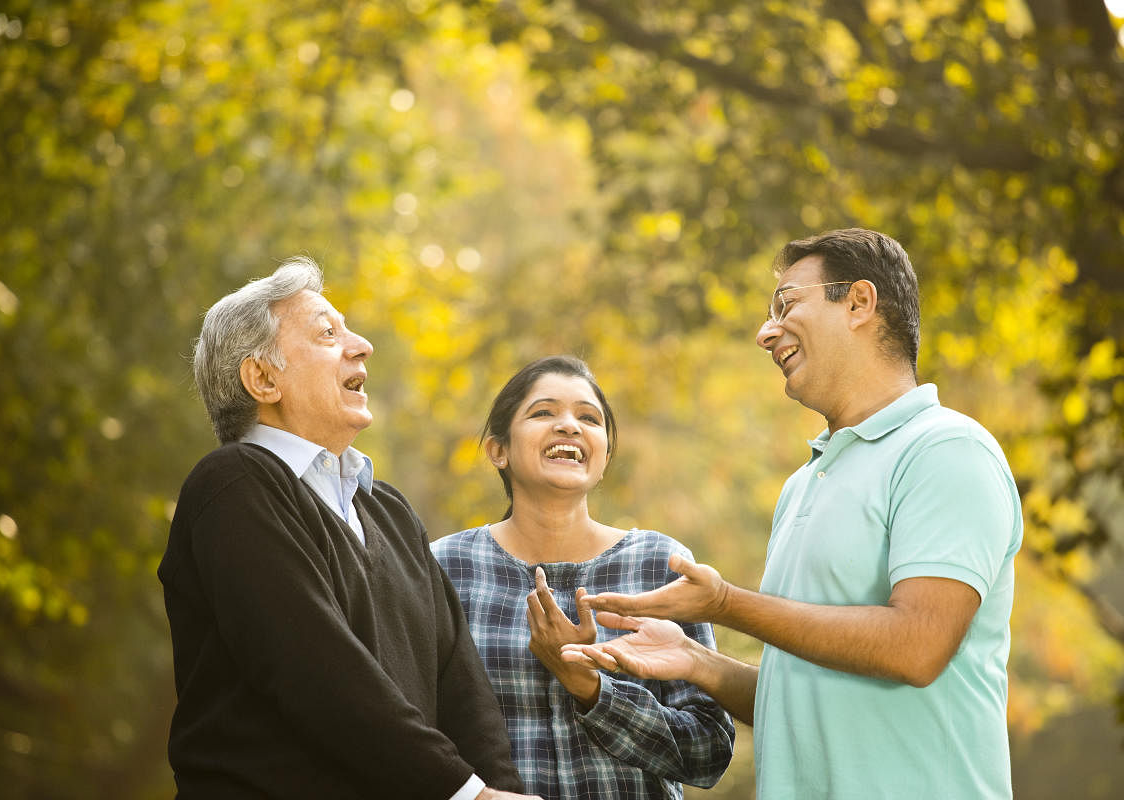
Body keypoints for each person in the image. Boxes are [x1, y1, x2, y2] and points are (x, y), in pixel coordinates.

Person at [564, 229, 1023, 799]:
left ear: (859, 302)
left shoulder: (946, 449)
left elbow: (916, 646)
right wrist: (698, 663)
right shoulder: (803, 484)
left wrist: (727, 604)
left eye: (786, 304)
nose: (765, 331)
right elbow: (803, 699)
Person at [158, 257, 534, 799]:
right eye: (327, 333)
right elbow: (313, 667)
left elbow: (462, 683)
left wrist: (499, 790)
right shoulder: (233, 484)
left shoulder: (391, 511)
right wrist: (466, 793)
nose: (361, 346)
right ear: (263, 378)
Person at [431, 356, 735, 800]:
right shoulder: (443, 567)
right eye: (543, 413)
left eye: (588, 418)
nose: (570, 426)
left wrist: (591, 688)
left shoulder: (660, 564)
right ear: (499, 450)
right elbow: (418, 737)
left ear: (604, 457)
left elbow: (708, 752)